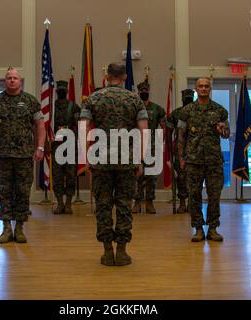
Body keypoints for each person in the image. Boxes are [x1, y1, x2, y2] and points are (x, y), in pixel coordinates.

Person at [80, 62, 148, 266]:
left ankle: (107, 251)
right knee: (124, 205)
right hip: (127, 161)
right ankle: (122, 251)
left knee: (103, 205)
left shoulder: (93, 98)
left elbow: (83, 128)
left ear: (107, 76)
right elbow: (144, 130)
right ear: (125, 77)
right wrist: (141, 159)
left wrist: (85, 157)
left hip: (100, 160)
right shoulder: (134, 99)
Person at [0, 68, 46, 244]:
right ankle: (6, 228)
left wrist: (40, 147)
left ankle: (19, 228)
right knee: (3, 192)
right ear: (5, 81)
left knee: (23, 192)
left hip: (24, 156)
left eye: (15, 78)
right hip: (1, 155)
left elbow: (40, 125)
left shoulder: (30, 101)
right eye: (9, 78)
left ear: (20, 81)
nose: (12, 80)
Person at [177, 77, 230, 242]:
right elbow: (181, 136)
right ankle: (198, 229)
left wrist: (223, 130)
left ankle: (213, 228)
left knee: (214, 196)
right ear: (196, 88)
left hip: (214, 160)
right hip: (193, 160)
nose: (204, 89)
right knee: (194, 196)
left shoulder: (220, 111)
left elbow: (227, 134)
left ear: (210, 88)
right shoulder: (187, 111)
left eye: (206, 86)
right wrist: (181, 158)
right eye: (200, 86)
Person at [132, 81, 166, 214]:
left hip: (152, 146)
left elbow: (163, 127)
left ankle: (149, 202)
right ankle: (137, 202)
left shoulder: (157, 109)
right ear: (138, 93)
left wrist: (159, 142)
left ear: (149, 91)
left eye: (146, 90)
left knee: (151, 176)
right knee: (137, 175)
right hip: (136, 145)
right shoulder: (134, 108)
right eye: (142, 91)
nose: (144, 93)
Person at [52, 80, 81, 214]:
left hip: (70, 143)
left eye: (64, 89)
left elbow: (79, 125)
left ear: (67, 91)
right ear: (57, 91)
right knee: (57, 175)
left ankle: (68, 203)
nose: (62, 91)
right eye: (60, 89)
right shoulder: (51, 107)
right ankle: (59, 203)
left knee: (70, 174)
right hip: (56, 144)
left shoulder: (73, 107)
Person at [166, 89, 195, 213]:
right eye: (186, 97)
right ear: (182, 98)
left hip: (195, 150)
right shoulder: (176, 113)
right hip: (180, 150)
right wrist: (169, 149)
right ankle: (182, 202)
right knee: (181, 178)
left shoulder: (197, 112)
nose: (187, 99)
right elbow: (168, 132)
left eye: (190, 97)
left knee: (194, 178)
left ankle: (192, 203)